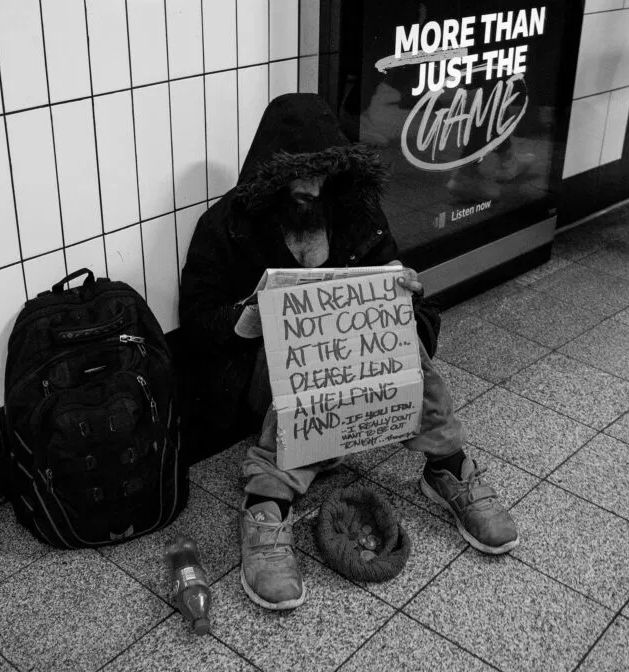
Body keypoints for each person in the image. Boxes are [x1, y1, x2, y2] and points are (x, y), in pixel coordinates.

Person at [179, 93, 518, 610]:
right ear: (271, 174)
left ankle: (448, 466)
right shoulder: (227, 223)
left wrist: (404, 296)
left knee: (401, 333)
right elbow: (197, 322)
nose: (313, 187)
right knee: (301, 340)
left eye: (324, 172)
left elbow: (395, 288)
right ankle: (267, 502)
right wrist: (245, 319)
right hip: (264, 379)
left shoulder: (355, 208)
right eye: (299, 175)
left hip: (356, 375)